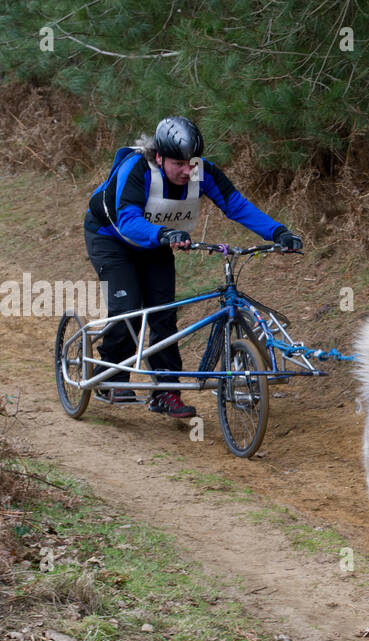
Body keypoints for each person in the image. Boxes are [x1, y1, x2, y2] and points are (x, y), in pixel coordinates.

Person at [83, 116, 302, 418]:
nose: (188, 170)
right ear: (159, 157)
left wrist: (279, 232)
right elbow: (128, 220)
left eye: (193, 162)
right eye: (179, 164)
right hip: (111, 238)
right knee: (129, 307)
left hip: (157, 242)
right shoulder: (137, 169)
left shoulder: (201, 172)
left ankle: (166, 392)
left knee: (163, 315)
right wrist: (163, 234)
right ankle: (111, 376)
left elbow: (236, 205)